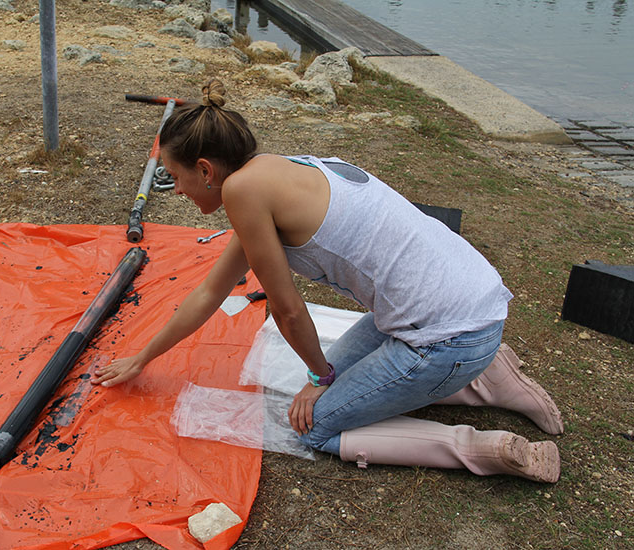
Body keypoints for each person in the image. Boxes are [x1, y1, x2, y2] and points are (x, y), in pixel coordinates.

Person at [91, 79, 563, 483]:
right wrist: (144, 357)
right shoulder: (276, 171)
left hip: (448, 336)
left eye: (175, 178)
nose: (178, 192)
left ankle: (479, 447)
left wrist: (321, 377)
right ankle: (489, 378)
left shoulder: (241, 191)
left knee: (315, 426)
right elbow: (210, 292)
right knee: (324, 384)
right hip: (464, 304)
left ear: (207, 171)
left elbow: (289, 309)